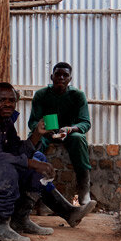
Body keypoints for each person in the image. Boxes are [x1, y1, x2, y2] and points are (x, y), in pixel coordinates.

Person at [0, 82, 96, 241]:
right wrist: (32, 163)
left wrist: (37, 134)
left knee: (34, 171)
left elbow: (16, 151)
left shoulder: (5, 122)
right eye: (1, 100)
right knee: (7, 170)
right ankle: (0, 227)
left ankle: (21, 219)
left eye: (11, 100)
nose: (7, 104)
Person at [28, 62, 94, 204]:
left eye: (65, 75)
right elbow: (32, 122)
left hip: (69, 134)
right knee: (34, 142)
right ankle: (36, 191)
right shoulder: (41, 95)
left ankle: (84, 189)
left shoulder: (77, 95)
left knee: (79, 138)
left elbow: (85, 122)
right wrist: (42, 129)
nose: (61, 78)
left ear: (70, 79)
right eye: (58, 74)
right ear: (52, 77)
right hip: (46, 134)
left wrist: (70, 129)